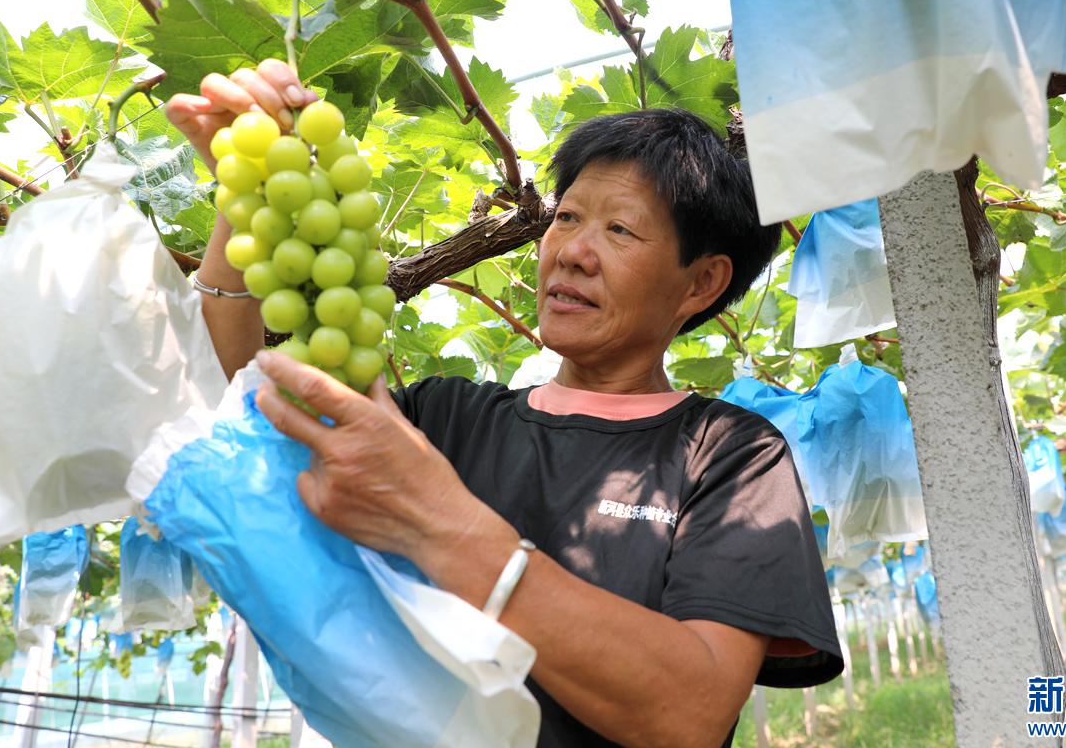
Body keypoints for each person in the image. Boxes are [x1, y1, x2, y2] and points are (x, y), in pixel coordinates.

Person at [167, 60, 842, 748]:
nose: (572, 251)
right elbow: (251, 403)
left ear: (701, 284)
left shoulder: (732, 456)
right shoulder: (443, 416)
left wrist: (439, 523)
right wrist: (250, 196)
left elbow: (688, 713)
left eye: (619, 231)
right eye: (568, 216)